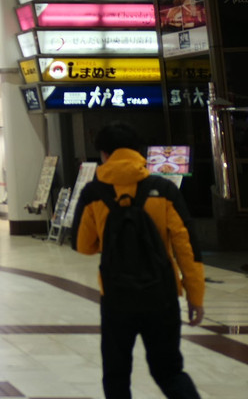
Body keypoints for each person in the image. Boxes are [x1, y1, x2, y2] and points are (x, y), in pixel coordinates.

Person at [72, 122, 204, 399]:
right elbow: (187, 248)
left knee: (117, 374)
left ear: (104, 154)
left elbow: (83, 246)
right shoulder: (164, 190)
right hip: (162, 295)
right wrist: (196, 295)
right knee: (169, 371)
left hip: (116, 297)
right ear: (138, 152)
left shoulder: (93, 193)